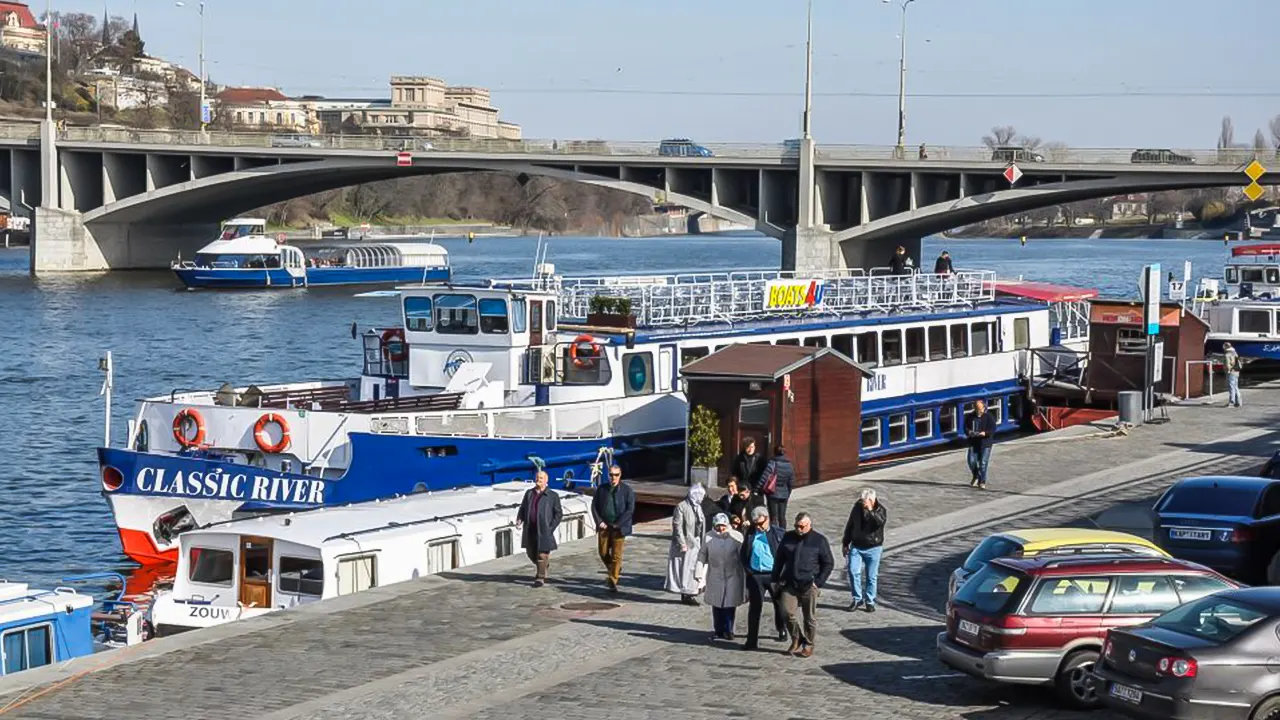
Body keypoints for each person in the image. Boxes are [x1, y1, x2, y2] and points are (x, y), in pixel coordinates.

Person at [771, 512, 833, 658]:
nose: (799, 529)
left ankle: (809, 644)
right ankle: (797, 637)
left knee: (809, 617)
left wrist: (818, 582)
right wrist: (775, 579)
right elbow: (779, 559)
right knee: (786, 612)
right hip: (790, 582)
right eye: (796, 526)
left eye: (802, 527)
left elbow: (828, 563)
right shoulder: (788, 537)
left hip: (809, 584)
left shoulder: (819, 540)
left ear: (809, 525)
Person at [740, 505, 787, 650]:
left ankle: (782, 628)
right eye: (756, 524)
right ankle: (751, 640)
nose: (759, 527)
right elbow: (743, 554)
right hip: (756, 575)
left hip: (774, 575)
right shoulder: (750, 534)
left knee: (779, 605)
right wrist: (749, 571)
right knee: (755, 608)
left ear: (767, 519)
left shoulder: (778, 533)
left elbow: (786, 555)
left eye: (761, 523)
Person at [697, 513, 746, 641]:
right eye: (718, 527)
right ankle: (718, 630)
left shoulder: (736, 537)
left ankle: (729, 630)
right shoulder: (708, 537)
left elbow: (743, 555)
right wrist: (698, 571)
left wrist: (746, 574)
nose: (720, 529)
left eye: (723, 527)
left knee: (730, 604)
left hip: (732, 574)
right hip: (715, 574)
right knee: (717, 604)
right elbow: (702, 553)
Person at [590, 464, 635, 592]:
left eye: (616, 475)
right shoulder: (602, 489)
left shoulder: (627, 490)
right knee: (603, 552)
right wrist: (599, 522)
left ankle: (613, 579)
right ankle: (615, 567)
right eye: (611, 475)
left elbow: (629, 509)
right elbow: (594, 507)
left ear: (620, 475)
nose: (613, 477)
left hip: (619, 527)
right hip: (604, 526)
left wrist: (618, 524)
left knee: (616, 555)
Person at [841, 488, 887, 612]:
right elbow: (850, 525)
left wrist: (870, 510)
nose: (862, 503)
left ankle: (870, 600)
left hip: (874, 548)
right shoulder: (857, 508)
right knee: (853, 571)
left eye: (864, 501)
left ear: (871, 501)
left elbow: (879, 522)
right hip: (857, 546)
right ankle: (857, 598)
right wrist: (845, 543)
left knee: (871, 576)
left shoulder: (880, 510)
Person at [515, 470, 563, 587]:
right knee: (531, 552)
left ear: (546, 480)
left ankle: (540, 577)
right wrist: (519, 519)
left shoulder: (552, 496)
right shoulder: (529, 493)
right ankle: (543, 566)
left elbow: (558, 513)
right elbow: (523, 508)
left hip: (544, 530)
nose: (538, 480)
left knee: (542, 554)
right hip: (530, 529)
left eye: (541, 478)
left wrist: (550, 527)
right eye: (537, 477)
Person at [666, 483, 707, 605]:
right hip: (686, 543)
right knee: (685, 569)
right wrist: (682, 543)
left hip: (697, 541)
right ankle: (686, 593)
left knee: (695, 568)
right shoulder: (681, 507)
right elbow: (677, 526)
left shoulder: (699, 507)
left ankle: (692, 591)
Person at [756, 445, 794, 528]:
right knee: (782, 517)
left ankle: (774, 534)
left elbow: (764, 477)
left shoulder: (772, 463)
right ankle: (782, 534)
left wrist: (757, 489)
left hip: (772, 493)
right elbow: (791, 482)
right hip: (784, 494)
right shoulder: (789, 465)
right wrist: (788, 493)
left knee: (773, 516)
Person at [966, 399, 997, 489]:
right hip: (973, 441)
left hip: (985, 443)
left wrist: (985, 433)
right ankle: (976, 475)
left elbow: (993, 429)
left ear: (984, 407)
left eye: (980, 409)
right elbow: (966, 427)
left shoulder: (989, 416)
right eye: (976, 409)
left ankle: (982, 481)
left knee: (983, 463)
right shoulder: (970, 416)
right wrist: (969, 432)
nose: (978, 411)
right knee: (971, 461)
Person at [1224, 342, 1243, 408]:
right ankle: (1239, 402)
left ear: (1226, 347)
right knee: (1235, 386)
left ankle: (1232, 402)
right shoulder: (1235, 353)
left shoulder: (1227, 354)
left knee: (1231, 387)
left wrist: (1228, 370)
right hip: (1237, 372)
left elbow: (1227, 364)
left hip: (1231, 372)